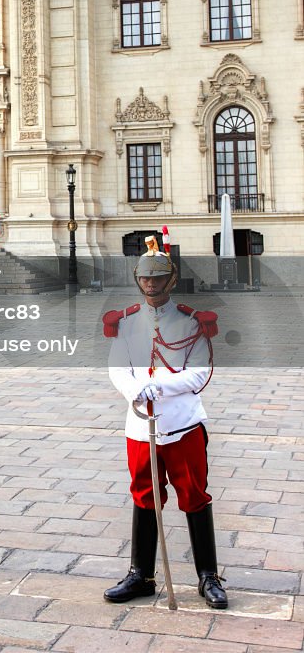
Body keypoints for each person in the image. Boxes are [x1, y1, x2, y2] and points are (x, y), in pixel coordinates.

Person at [102, 235, 227, 609]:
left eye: (158, 279)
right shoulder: (126, 323)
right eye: (145, 279)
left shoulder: (192, 322)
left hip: (181, 424)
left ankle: (208, 576)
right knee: (145, 496)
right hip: (141, 426)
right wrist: (133, 391)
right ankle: (141, 574)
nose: (151, 285)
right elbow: (116, 367)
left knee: (194, 497)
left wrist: (159, 386)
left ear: (171, 280)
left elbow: (199, 373)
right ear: (138, 280)